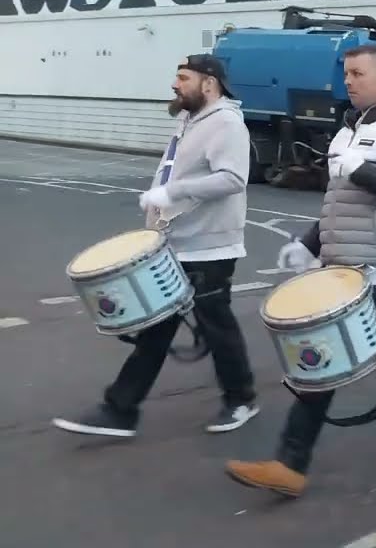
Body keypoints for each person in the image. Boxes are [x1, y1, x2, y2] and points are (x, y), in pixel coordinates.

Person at [224, 44, 376, 497]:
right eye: (346, 73)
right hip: (344, 261)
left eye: (358, 73)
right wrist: (309, 244)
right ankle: (292, 464)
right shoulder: (348, 128)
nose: (348, 81)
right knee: (328, 353)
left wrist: (365, 172)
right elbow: (340, 202)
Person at [54, 55, 258, 438]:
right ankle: (121, 410)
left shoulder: (226, 123)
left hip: (208, 248)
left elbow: (232, 179)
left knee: (215, 326)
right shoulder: (190, 120)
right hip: (175, 243)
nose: (175, 84)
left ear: (209, 83)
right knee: (157, 326)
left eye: (183, 77)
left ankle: (240, 399)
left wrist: (171, 192)